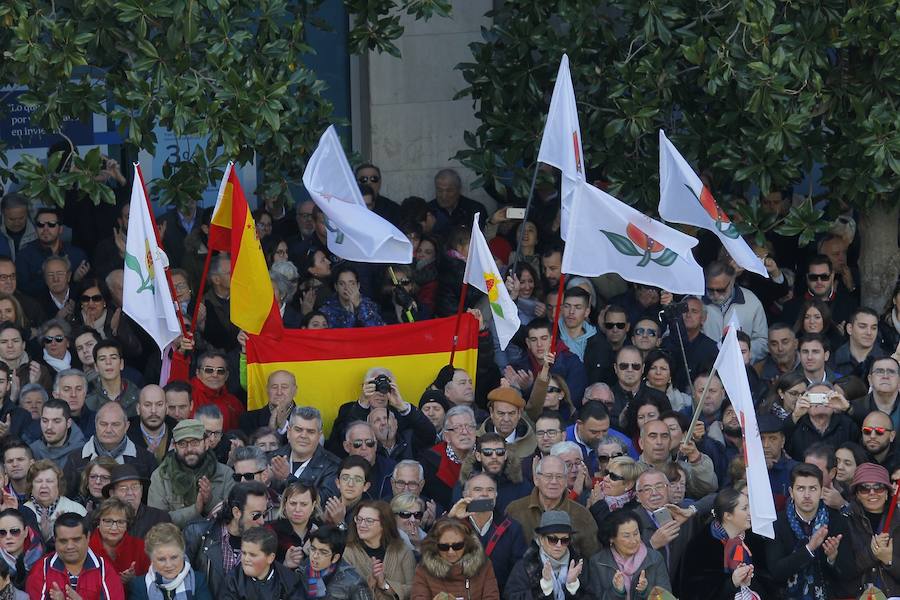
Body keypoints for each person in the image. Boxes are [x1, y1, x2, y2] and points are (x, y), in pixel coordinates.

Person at [766, 463, 853, 599]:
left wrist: (833, 558)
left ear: (821, 492)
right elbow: (776, 572)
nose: (807, 495)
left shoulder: (837, 521)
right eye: (800, 489)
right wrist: (809, 549)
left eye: (812, 489)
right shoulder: (777, 524)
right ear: (791, 492)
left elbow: (849, 572)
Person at [182, 482, 269, 597]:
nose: (262, 521)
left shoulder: (264, 542)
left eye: (265, 514)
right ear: (236, 512)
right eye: (256, 515)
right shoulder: (197, 533)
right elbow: (181, 580)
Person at [148, 418, 235, 527]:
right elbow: (156, 521)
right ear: (174, 447)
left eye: (195, 442)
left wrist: (209, 500)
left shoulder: (225, 474)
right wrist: (194, 510)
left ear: (206, 443)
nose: (189, 449)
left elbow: (233, 518)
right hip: (175, 541)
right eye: (182, 444)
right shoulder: (161, 476)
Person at [505, 456, 599, 558]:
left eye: (559, 476)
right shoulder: (515, 510)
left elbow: (594, 557)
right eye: (548, 476)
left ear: (565, 480)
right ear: (536, 479)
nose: (554, 482)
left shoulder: (581, 515)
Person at [680, 487, 761, 600]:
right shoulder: (701, 546)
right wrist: (731, 583)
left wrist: (748, 582)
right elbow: (696, 593)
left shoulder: (753, 539)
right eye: (745, 508)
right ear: (727, 516)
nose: (750, 512)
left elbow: (767, 582)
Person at [62, 401, 158, 495]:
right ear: (95, 425)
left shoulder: (145, 460)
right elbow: (66, 498)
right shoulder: (75, 459)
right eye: (103, 424)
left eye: (115, 425)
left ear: (126, 426)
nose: (108, 430)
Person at [26, 512, 125, 600]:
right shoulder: (41, 570)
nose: (70, 546)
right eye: (63, 541)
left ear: (88, 537)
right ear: (55, 540)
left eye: (76, 540)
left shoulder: (105, 570)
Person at [505, 511, 590, 600]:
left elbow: (592, 596)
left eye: (565, 540)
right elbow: (511, 597)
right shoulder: (525, 565)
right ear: (541, 539)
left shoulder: (579, 565)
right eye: (552, 539)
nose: (559, 545)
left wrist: (573, 587)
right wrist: (542, 590)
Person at [342, 500, 416, 600]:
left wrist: (384, 585)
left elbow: (414, 590)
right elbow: (344, 592)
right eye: (359, 519)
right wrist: (370, 581)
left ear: (384, 524)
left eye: (369, 521)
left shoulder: (403, 551)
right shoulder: (348, 552)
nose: (362, 525)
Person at [410, 517, 498, 600]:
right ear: (435, 546)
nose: (450, 552)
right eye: (444, 547)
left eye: (457, 546)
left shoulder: (484, 566)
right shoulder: (424, 570)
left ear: (467, 544)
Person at [845, 463, 900, 596]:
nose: (872, 493)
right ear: (857, 494)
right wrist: (871, 553)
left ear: (887, 493)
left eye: (879, 488)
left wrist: (889, 560)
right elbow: (845, 571)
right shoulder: (846, 521)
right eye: (864, 488)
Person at [701, 261, 768, 362]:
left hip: (740, 368)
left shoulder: (751, 301)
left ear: (732, 280)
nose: (715, 295)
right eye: (710, 290)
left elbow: (762, 341)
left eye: (721, 290)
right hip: (704, 368)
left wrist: (741, 354)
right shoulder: (695, 302)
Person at [269, 406, 340, 502]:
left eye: (310, 432)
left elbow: (324, 501)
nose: (303, 436)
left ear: (319, 436)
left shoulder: (334, 466)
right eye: (298, 430)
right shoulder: (270, 458)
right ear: (289, 432)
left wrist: (288, 478)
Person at [129, 523, 213, 600]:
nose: (168, 565)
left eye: (174, 557)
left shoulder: (198, 581)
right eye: (161, 559)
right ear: (151, 559)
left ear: (183, 554)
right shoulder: (140, 586)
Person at [221, 526, 298, 600]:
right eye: (244, 553)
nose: (246, 559)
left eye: (253, 555)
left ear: (270, 558)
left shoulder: (289, 581)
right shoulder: (233, 580)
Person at [298, 525, 373, 600]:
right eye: (313, 549)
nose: (315, 556)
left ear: (335, 558)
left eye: (323, 552)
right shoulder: (303, 571)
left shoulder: (354, 582)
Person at [88, 498, 150, 587]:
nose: (114, 528)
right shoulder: (86, 548)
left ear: (127, 524)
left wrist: (135, 580)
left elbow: (152, 583)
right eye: (108, 521)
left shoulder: (142, 547)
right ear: (98, 522)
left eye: (120, 522)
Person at [22, 460, 86, 542]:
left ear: (59, 485)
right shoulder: (22, 512)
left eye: (49, 481)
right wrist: (42, 538)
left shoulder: (76, 509)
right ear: (31, 486)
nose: (44, 485)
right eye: (38, 481)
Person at [103, 464, 171, 539]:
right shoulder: (98, 519)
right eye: (123, 488)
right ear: (112, 493)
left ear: (141, 490)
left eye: (135, 487)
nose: (130, 493)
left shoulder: (159, 519)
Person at [190, 351, 243, 432]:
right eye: (209, 370)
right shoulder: (188, 395)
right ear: (197, 373)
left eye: (220, 371)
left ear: (227, 375)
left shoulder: (234, 403)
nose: (215, 375)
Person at [268, 482, 319, 567]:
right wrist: (284, 564)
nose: (297, 509)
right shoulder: (271, 532)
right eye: (293, 503)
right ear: (285, 504)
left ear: (313, 505)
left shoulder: (320, 531)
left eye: (304, 504)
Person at [29, 398, 86, 470]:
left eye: (56, 421)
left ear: (68, 423)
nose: (49, 427)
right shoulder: (32, 451)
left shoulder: (82, 453)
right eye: (45, 421)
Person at [320, 265, 385, 328]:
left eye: (351, 283)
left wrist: (359, 306)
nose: (347, 288)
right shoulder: (327, 310)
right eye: (342, 284)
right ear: (336, 287)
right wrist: (350, 314)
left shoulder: (369, 305)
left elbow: (378, 329)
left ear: (358, 286)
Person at [833, 307, 886, 378]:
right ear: (849, 329)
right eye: (862, 327)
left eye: (873, 328)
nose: (869, 332)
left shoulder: (887, 360)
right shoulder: (832, 360)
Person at [0, 508, 44, 591]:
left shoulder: (44, 559)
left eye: (15, 531)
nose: (8, 537)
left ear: (26, 531)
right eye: (2, 533)